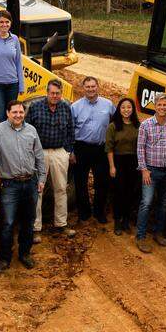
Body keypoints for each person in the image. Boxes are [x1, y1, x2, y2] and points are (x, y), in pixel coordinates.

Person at [0, 99, 46, 272]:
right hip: (10, 185)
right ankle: (4, 258)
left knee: (28, 222)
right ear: (7, 113)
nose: (18, 115)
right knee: (8, 222)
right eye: (15, 112)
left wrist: (41, 179)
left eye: (21, 112)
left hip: (30, 182)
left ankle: (24, 254)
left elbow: (39, 156)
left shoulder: (31, 130)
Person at [25, 79, 76, 243]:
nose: (55, 96)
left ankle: (61, 224)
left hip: (59, 152)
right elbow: (27, 130)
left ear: (61, 94)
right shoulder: (35, 107)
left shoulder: (66, 107)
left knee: (61, 188)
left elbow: (71, 130)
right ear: (47, 92)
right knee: (37, 190)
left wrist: (68, 150)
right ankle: (35, 228)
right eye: (52, 93)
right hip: (39, 154)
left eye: (58, 93)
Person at [135, 93, 166, 253]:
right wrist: (144, 169)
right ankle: (140, 236)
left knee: (163, 204)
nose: (162, 108)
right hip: (150, 172)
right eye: (159, 105)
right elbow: (140, 148)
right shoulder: (145, 125)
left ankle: (158, 233)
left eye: (165, 105)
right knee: (146, 203)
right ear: (155, 106)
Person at [70, 76, 114, 224]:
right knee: (80, 182)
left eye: (93, 86)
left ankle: (99, 212)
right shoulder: (75, 107)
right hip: (81, 148)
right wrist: (71, 151)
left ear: (98, 87)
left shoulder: (108, 105)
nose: (90, 89)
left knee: (102, 182)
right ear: (83, 88)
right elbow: (70, 130)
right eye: (87, 87)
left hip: (101, 149)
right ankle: (84, 212)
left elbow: (115, 125)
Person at [106, 97, 140, 235]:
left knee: (130, 192)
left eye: (129, 107)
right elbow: (109, 148)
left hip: (133, 162)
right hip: (118, 161)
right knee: (119, 192)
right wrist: (112, 166)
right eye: (123, 107)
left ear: (133, 109)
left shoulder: (138, 125)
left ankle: (126, 220)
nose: (126, 110)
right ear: (119, 109)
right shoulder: (113, 126)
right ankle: (117, 221)